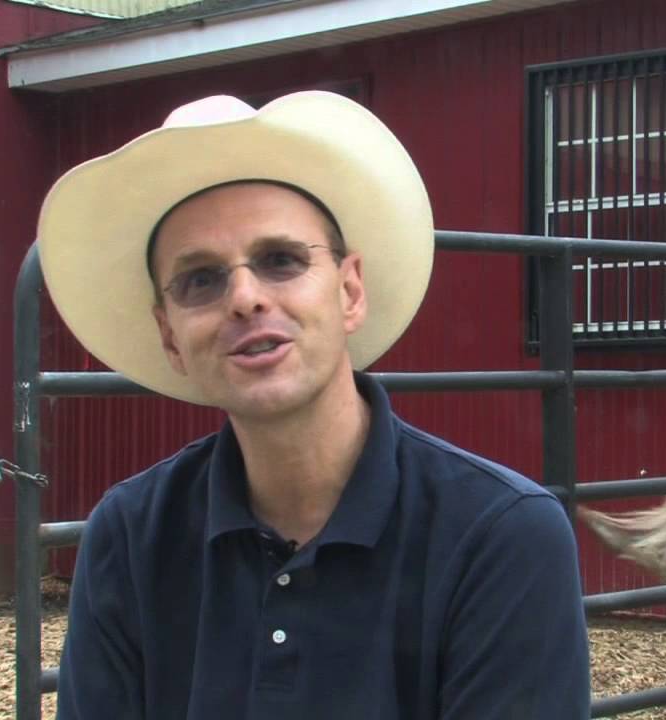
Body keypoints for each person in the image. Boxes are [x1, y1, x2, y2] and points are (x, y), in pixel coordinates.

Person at [37, 91, 591, 720]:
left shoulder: (501, 536)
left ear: (349, 290)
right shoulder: (132, 534)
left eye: (280, 260)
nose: (243, 297)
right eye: (201, 279)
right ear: (171, 336)